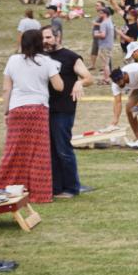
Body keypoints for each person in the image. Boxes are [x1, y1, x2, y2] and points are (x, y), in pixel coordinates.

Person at [0, 29, 65, 203]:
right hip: (38, 109)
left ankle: (6, 188)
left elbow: (7, 88)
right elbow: (59, 86)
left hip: (17, 109)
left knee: (14, 151)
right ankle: (40, 193)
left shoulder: (13, 60)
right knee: (38, 153)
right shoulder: (46, 61)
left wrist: (6, 110)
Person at [43, 25, 93, 199]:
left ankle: (72, 188)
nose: (45, 41)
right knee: (51, 150)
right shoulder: (41, 57)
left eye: (48, 37)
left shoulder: (71, 57)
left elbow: (88, 77)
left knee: (63, 149)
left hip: (63, 110)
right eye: (43, 38)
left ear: (58, 37)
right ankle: (56, 188)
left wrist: (80, 83)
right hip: (45, 109)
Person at [109, 43, 138, 142]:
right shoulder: (115, 85)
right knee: (130, 110)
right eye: (116, 83)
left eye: (120, 82)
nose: (119, 85)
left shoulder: (136, 70)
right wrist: (115, 120)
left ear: (124, 76)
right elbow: (118, 102)